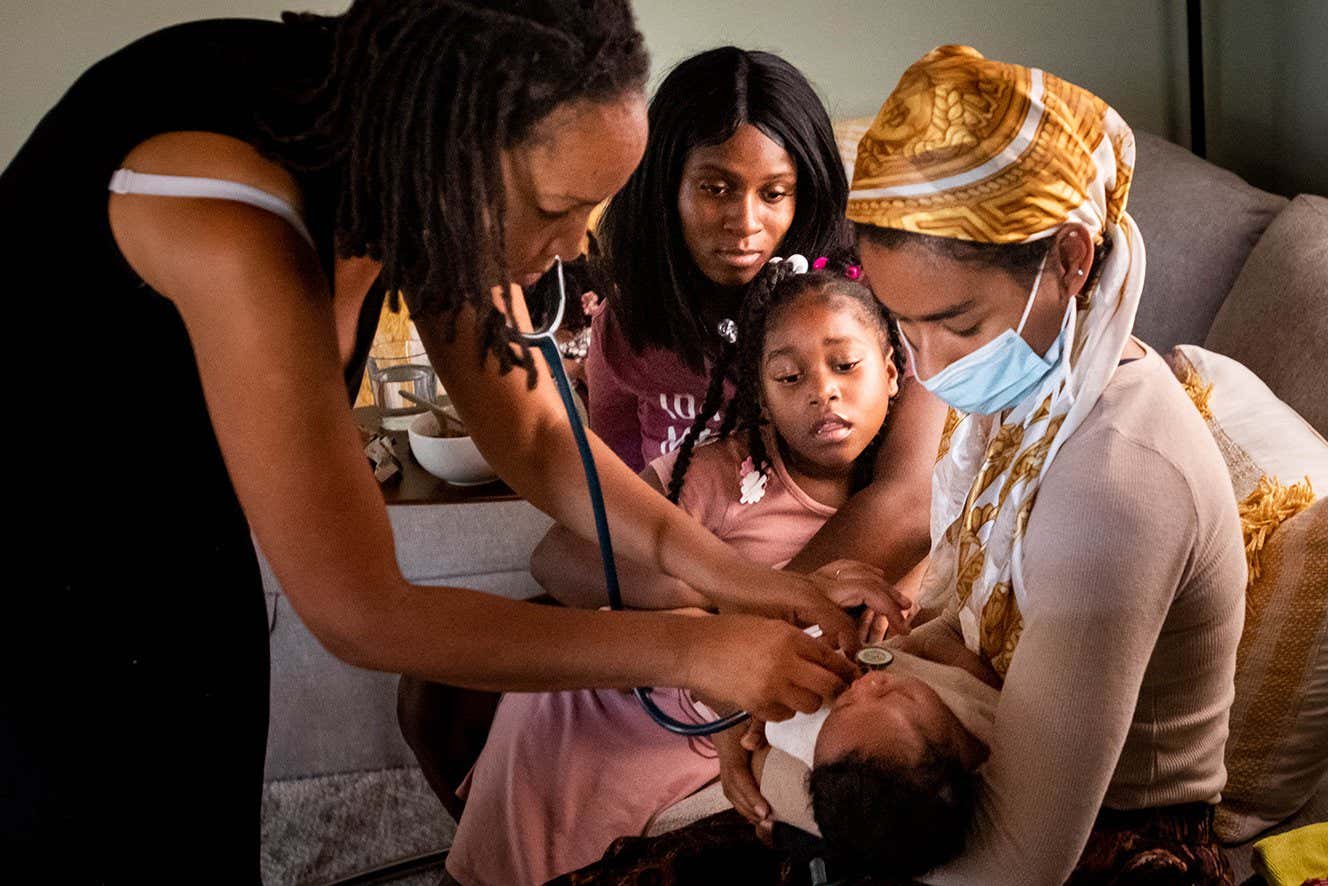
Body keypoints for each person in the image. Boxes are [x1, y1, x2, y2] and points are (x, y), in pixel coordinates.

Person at [1, 4, 899, 880]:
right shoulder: (227, 211)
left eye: (595, 207)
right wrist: (689, 647)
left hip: (179, 532)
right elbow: (364, 614)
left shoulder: (423, 172)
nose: (575, 244)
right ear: (454, 158)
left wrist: (754, 585)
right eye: (557, 208)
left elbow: (545, 439)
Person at [557, 44, 1246, 885]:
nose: (926, 369)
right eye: (906, 330)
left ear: (1071, 260)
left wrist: (784, 768)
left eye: (954, 324)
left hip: (1099, 843)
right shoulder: (1028, 404)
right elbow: (962, 630)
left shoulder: (1116, 478)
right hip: (961, 771)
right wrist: (784, 710)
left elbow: (1018, 862)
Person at [446, 255, 908, 885]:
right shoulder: (718, 474)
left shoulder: (906, 512)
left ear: (891, 374)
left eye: (845, 366)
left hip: (730, 708)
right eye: (789, 376)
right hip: (625, 695)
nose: (822, 390)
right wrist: (732, 601)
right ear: (762, 400)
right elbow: (554, 557)